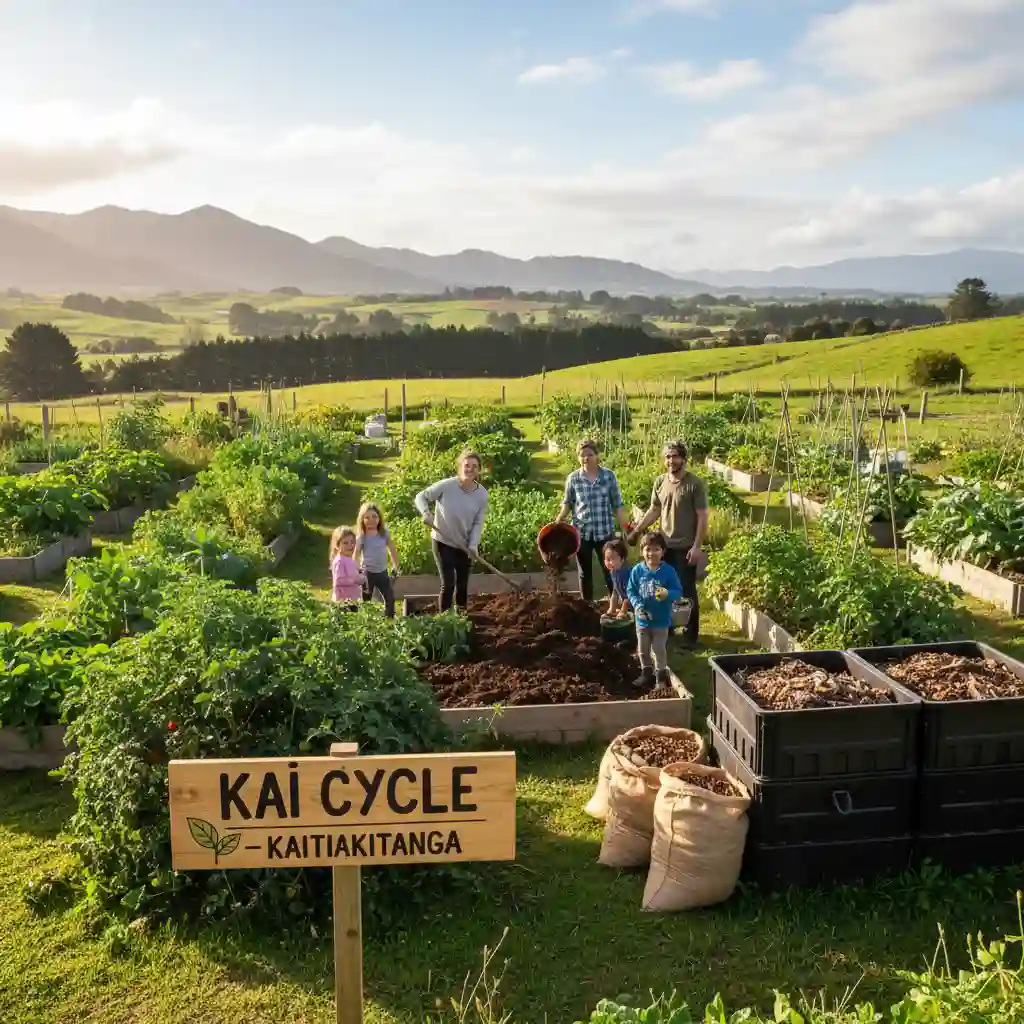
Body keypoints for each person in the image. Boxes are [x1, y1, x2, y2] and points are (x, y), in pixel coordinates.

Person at [628, 440, 708, 649]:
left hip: (685, 546)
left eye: (675, 456)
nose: (671, 460)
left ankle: (691, 636)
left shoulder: (694, 484)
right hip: (665, 546)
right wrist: (637, 530)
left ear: (683, 458)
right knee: (662, 587)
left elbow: (702, 517)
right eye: (668, 457)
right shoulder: (660, 482)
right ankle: (668, 627)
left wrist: (697, 546)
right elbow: (654, 510)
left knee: (686, 589)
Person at [555, 439, 630, 602]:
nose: (586, 458)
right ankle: (587, 605)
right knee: (584, 573)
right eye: (582, 455)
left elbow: (617, 504)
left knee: (610, 569)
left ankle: (616, 601)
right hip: (582, 533)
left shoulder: (608, 476)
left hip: (605, 532)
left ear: (597, 456)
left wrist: (626, 526)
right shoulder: (573, 478)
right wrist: (560, 519)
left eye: (590, 454)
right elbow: (568, 503)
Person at [414, 449, 489, 612]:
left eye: (475, 467)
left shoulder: (482, 495)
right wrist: (426, 513)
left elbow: (478, 522)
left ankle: (461, 618)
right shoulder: (447, 486)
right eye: (467, 465)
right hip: (443, 541)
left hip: (464, 545)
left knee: (462, 586)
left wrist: (473, 545)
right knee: (448, 584)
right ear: (460, 466)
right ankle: (445, 620)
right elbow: (421, 497)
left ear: (479, 470)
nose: (470, 469)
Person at [626, 530, 682, 688]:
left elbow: (678, 592)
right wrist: (637, 605)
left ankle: (660, 678)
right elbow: (631, 590)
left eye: (656, 549)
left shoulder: (668, 571)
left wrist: (667, 593)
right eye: (647, 549)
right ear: (642, 551)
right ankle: (646, 674)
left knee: (658, 649)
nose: (651, 553)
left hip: (661, 620)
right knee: (643, 649)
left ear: (663, 552)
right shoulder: (637, 570)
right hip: (642, 619)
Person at [355, 501, 399, 618]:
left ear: (379, 518)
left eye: (374, 516)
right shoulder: (362, 536)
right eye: (367, 517)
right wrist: (357, 569)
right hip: (367, 573)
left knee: (389, 597)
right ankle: (366, 621)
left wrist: (396, 565)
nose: (371, 520)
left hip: (382, 572)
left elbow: (392, 549)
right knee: (366, 599)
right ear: (362, 520)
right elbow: (357, 553)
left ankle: (389, 620)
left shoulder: (384, 534)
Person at [329, 525, 366, 608]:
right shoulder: (339, 561)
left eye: (352, 542)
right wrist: (355, 580)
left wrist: (360, 576)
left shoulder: (349, 559)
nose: (350, 545)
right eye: (345, 543)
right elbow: (339, 581)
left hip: (353, 599)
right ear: (337, 545)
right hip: (343, 601)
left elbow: (352, 574)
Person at [602, 538, 632, 620]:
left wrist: (623, 611)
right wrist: (611, 609)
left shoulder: (626, 573)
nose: (608, 562)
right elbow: (615, 592)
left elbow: (630, 595)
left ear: (622, 559)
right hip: (627, 602)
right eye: (607, 559)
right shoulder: (613, 571)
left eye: (612, 559)